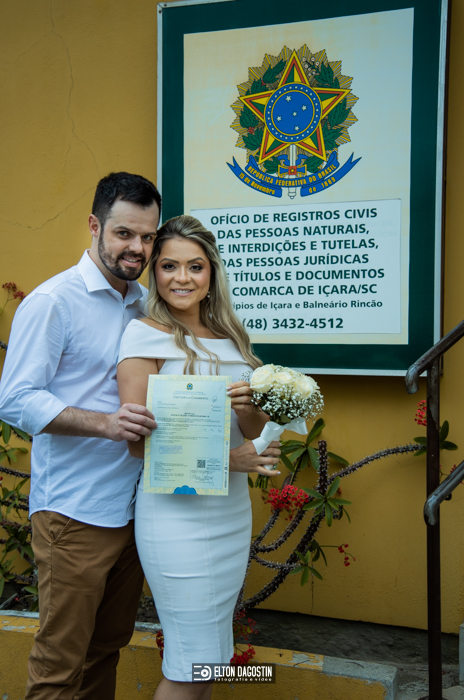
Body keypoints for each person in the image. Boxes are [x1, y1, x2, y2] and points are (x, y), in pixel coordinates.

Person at [0, 172, 161, 700]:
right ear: (94, 226)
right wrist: (106, 424)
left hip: (133, 510)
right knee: (59, 666)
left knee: (105, 651)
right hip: (74, 514)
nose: (137, 248)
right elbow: (14, 399)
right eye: (124, 233)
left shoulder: (146, 303)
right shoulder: (54, 301)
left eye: (147, 236)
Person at [117, 214, 281, 700]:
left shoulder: (232, 338)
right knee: (190, 664)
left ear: (211, 273)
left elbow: (249, 431)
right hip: (176, 519)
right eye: (169, 266)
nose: (182, 278)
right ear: (155, 272)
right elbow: (136, 442)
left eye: (195, 266)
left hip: (230, 514)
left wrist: (252, 415)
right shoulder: (143, 336)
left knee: (210, 660)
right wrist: (231, 461)